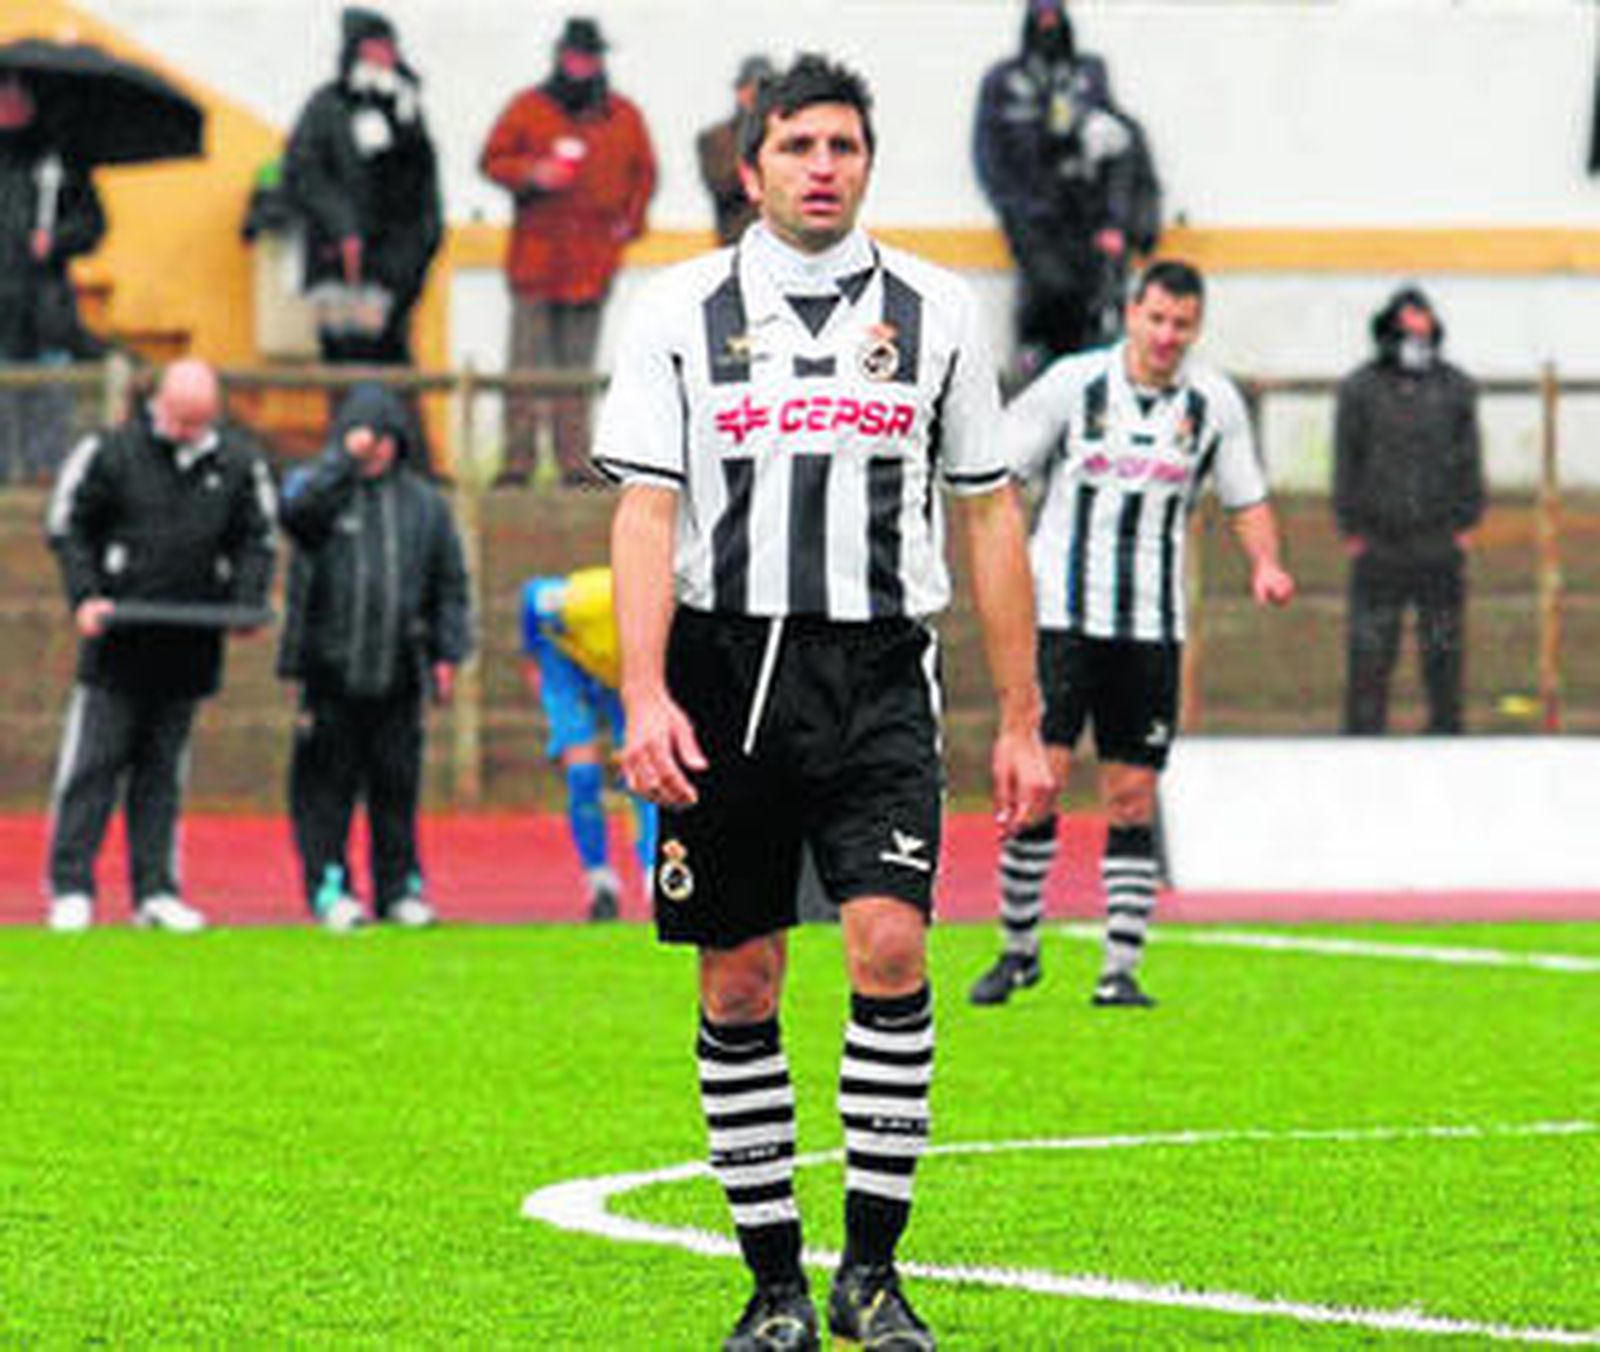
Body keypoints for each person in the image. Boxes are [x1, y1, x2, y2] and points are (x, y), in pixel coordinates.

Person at [596, 54, 1053, 1351]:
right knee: (740, 981)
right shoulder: (680, 308)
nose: (821, 167)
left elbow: (989, 511)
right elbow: (645, 506)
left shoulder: (939, 310)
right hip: (721, 673)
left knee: (890, 951)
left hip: (877, 672)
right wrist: (641, 692)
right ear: (751, 169)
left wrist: (1021, 713)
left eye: (843, 146)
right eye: (796, 146)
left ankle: (872, 1273)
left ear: (867, 162)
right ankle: (775, 1289)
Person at [968, 260, 1295, 1010]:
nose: (1167, 336)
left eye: (1182, 324)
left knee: (1131, 794)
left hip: (1150, 626)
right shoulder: (1071, 385)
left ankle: (1120, 967)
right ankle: (1018, 950)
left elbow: (1247, 494)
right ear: (1132, 314)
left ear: (1195, 328)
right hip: (1058, 618)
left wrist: (1267, 564)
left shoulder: (1214, 402)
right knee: (1038, 783)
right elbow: (999, 474)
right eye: (1156, 319)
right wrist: (1004, 559)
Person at [43, 359, 277, 932]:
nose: (187, 433)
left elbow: (257, 538)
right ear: (160, 405)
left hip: (188, 643)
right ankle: (71, 885)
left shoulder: (238, 464)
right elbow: (68, 527)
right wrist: (87, 596)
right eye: (179, 420)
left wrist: (246, 603)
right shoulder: (111, 452)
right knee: (93, 765)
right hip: (118, 643)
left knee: (162, 773)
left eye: (199, 423)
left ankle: (156, 889)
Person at [277, 383, 472, 932]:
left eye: (385, 439)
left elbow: (449, 585)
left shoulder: (425, 505)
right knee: (325, 789)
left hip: (398, 673)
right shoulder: (320, 492)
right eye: (368, 438)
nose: (377, 450)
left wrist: (447, 651)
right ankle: (329, 886)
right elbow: (295, 514)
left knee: (396, 786)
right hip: (328, 673)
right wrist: (342, 461)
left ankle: (400, 887)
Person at [479, 16, 657, 487]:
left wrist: (628, 226)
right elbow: (492, 160)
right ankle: (516, 466)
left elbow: (645, 176)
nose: (580, 65)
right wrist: (533, 173)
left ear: (599, 62)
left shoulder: (624, 116)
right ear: (561, 57)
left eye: (589, 57)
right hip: (535, 264)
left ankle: (575, 465)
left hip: (592, 266)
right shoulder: (527, 108)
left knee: (578, 373)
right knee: (524, 371)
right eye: (574, 56)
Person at [973, 0, 1159, 375]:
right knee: (1047, 292)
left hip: (1086, 219)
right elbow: (988, 153)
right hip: (1033, 217)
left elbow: (1120, 151)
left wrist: (1118, 221)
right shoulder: (1003, 80)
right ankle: (1036, 364)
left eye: (1053, 19)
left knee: (1097, 304)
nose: (1048, 27)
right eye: (1040, 19)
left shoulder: (1089, 73)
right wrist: (1014, 208)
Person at [1335, 288, 1484, 736]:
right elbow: (1347, 459)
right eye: (1405, 330)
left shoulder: (1455, 387)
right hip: (1378, 539)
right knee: (1370, 648)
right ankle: (1363, 734)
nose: (1414, 340)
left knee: (1443, 645)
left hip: (1438, 538)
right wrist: (1350, 526)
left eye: (1423, 329)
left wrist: (1467, 521)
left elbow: (1470, 458)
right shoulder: (1360, 388)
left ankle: (1445, 728)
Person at [283, 7, 443, 366]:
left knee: (393, 358)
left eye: (388, 48)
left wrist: (425, 244)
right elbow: (302, 172)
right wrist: (344, 227)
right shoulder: (326, 108)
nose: (383, 57)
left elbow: (422, 185)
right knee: (346, 359)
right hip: (339, 263)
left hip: (398, 269)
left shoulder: (406, 111)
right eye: (374, 48)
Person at [519, 566, 656, 920]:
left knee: (645, 771)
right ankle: (599, 879)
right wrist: (532, 657)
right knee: (582, 772)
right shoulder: (582, 601)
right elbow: (533, 595)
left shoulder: (670, 621)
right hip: (569, 663)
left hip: (626, 674)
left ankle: (654, 875)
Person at [0, 72, 106, 485]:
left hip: (46, 305)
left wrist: (58, 239)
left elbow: (94, 222)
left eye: (15, 98)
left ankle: (46, 482)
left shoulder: (60, 162)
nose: (8, 107)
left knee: (50, 392)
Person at [696, 55, 774, 246]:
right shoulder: (715, 139)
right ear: (740, 92)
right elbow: (723, 184)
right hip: (736, 244)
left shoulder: (788, 137)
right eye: (753, 89)